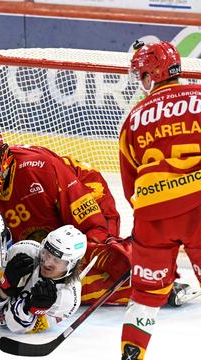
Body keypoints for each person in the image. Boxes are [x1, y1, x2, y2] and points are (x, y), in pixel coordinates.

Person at [0, 132, 132, 323]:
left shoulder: (40, 170)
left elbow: (93, 226)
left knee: (89, 260)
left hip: (85, 189)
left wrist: (97, 254)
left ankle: (143, 270)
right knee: (41, 271)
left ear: (2, 159)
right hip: (47, 226)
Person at [118, 40, 201, 360]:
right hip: (198, 210)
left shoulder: (133, 118)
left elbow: (131, 189)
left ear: (152, 75)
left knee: (145, 298)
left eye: (142, 76)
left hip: (153, 217)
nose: (141, 82)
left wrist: (146, 234)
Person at [0, 225, 86, 333]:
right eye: (46, 253)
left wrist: (29, 308)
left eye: (57, 260)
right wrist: (3, 288)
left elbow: (14, 326)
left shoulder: (67, 299)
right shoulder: (24, 251)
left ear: (72, 265)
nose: (47, 263)